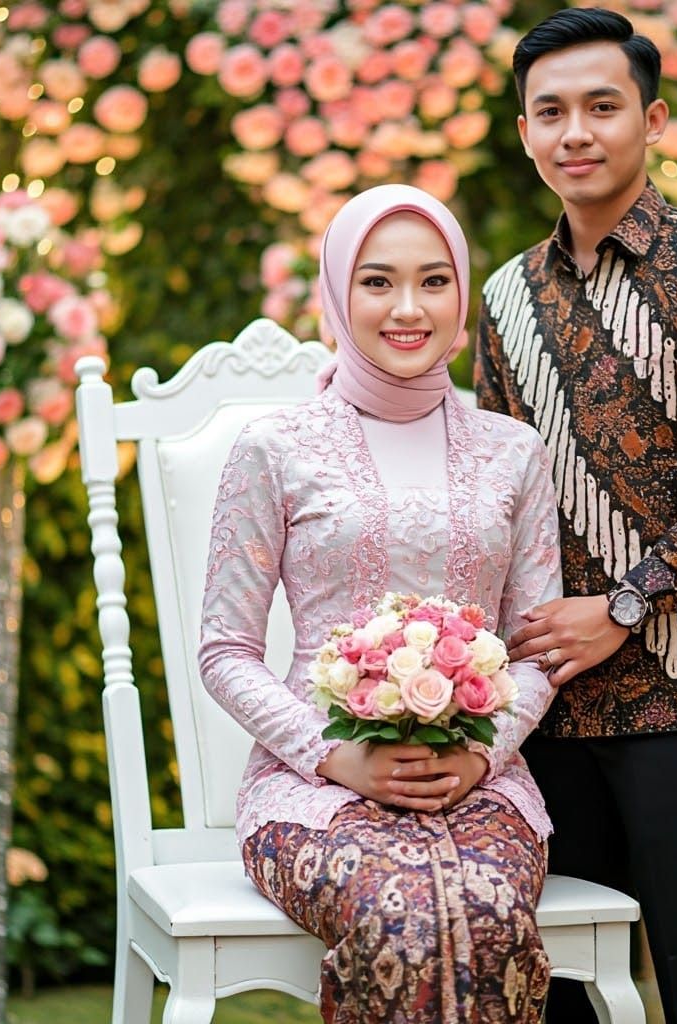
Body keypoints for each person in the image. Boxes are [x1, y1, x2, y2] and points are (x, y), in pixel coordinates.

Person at [474, 9, 677, 1024]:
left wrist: (621, 601)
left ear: (651, 119)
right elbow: (485, 486)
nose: (576, 132)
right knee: (557, 987)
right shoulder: (501, 297)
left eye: (601, 106)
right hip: (544, 698)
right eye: (550, 112)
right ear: (524, 133)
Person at [199, 184, 564, 1023]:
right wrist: (339, 756)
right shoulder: (275, 447)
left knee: (487, 911)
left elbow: (536, 647)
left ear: (461, 296)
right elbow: (225, 650)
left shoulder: (514, 451)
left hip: (485, 785)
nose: (409, 308)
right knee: (394, 913)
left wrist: (481, 755)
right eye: (377, 281)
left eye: (434, 281)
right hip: (311, 790)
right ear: (336, 294)